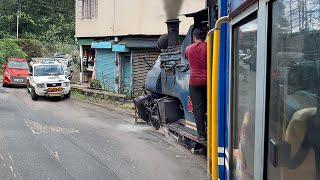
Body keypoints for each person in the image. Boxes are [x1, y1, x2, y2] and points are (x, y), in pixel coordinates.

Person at [185, 28, 207, 142]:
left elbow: (186, 58)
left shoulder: (188, 49)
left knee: (198, 109)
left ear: (194, 37)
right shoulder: (209, 46)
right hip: (208, 82)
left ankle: (202, 135)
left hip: (194, 83)